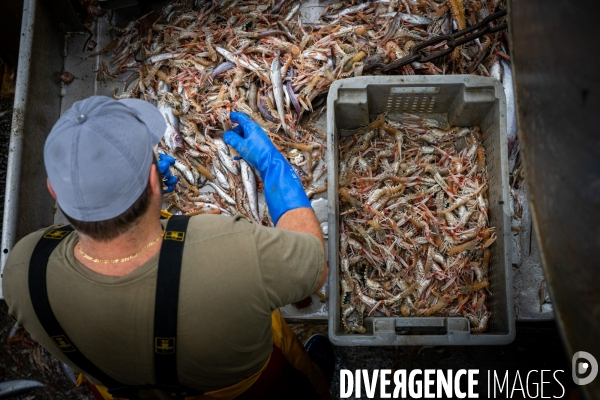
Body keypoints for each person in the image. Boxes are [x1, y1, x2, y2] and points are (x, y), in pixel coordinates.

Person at [2, 96, 334, 399]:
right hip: (251, 390)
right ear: (151, 180)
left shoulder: (22, 268)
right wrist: (272, 166)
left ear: (55, 192)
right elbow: (315, 266)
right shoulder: (236, 251)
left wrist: (144, 206)